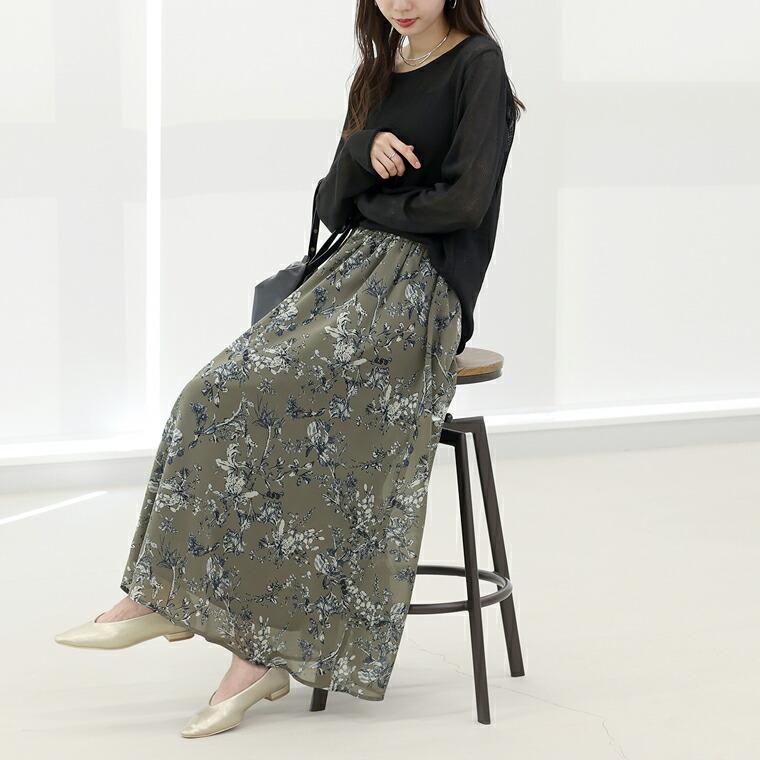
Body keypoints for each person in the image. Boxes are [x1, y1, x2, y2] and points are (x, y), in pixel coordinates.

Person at [54, 0, 522, 738]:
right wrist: (362, 150)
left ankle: (255, 657)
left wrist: (376, 207)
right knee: (213, 392)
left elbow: (463, 206)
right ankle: (164, 597)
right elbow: (332, 204)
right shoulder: (376, 73)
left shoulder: (478, 66)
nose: (401, 3)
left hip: (421, 292)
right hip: (345, 279)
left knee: (284, 398)